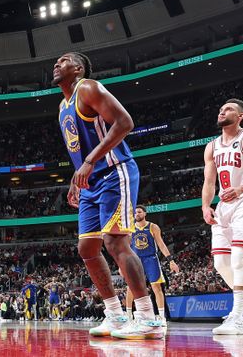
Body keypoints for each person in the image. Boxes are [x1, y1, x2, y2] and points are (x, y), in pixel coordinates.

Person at [54, 52, 164, 339]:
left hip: (115, 172)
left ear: (78, 68)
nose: (57, 64)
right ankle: (115, 314)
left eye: (64, 60)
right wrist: (75, 179)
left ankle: (147, 317)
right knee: (87, 249)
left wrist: (90, 161)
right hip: (90, 182)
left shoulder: (88, 87)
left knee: (115, 242)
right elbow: (80, 147)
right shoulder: (62, 106)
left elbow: (124, 122)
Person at [202, 98, 243, 335]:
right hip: (223, 206)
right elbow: (209, 181)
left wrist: (242, 188)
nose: (222, 112)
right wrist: (205, 206)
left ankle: (237, 317)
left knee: (239, 259)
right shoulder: (212, 146)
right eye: (220, 109)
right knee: (221, 263)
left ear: (240, 116)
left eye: (228, 109)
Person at [125, 205, 180, 325]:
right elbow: (126, 247)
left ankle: (161, 317)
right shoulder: (130, 228)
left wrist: (171, 260)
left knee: (157, 287)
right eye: (135, 213)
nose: (137, 214)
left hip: (151, 259)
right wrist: (121, 264)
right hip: (135, 260)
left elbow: (161, 244)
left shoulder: (153, 227)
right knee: (130, 287)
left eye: (139, 212)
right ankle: (128, 315)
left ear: (145, 213)